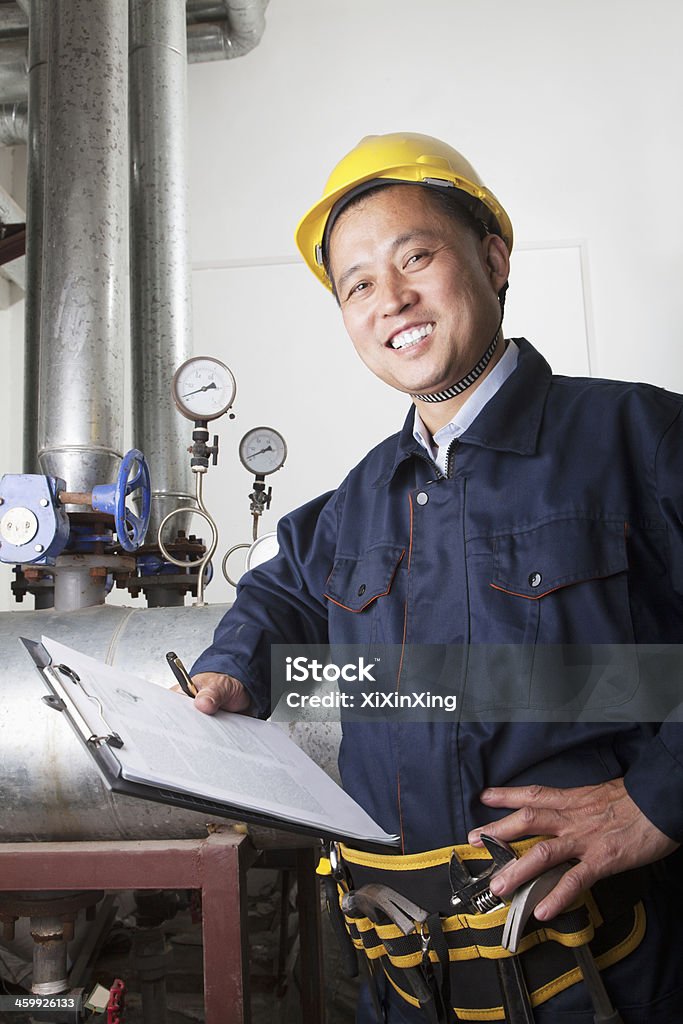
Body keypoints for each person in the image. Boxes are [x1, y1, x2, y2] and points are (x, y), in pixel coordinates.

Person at [190, 133, 683, 1022]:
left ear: (492, 259)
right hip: (406, 987)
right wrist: (236, 660)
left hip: (607, 979)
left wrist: (657, 798)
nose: (393, 300)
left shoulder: (637, 440)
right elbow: (282, 587)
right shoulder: (360, 499)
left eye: (416, 256)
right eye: (358, 285)